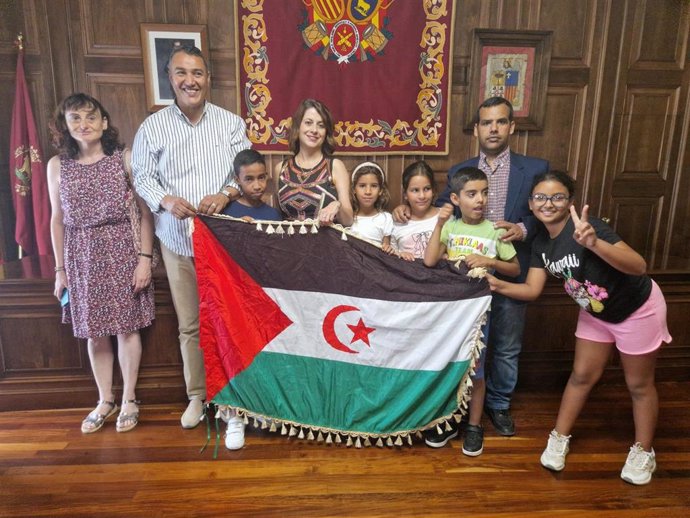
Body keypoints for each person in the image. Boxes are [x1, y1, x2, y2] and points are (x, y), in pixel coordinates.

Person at [487, 171, 670, 485]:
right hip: (596, 312)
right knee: (582, 375)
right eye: (541, 197)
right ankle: (559, 437)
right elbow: (532, 290)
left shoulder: (590, 227)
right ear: (531, 203)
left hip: (637, 309)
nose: (549, 204)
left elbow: (638, 266)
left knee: (639, 385)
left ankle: (644, 451)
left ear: (569, 201)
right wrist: (495, 284)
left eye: (557, 197)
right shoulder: (540, 242)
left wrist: (595, 244)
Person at [395, 97, 549, 437]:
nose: (493, 128)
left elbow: (548, 212)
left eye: (500, 122)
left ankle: (499, 405)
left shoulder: (535, 168)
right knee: (464, 345)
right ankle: (459, 406)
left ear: (512, 126)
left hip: (508, 267)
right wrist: (404, 209)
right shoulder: (459, 171)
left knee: (507, 344)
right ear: (477, 129)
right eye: (486, 123)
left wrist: (521, 229)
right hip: (463, 285)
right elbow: (438, 208)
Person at [131, 44, 251, 448]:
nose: (190, 81)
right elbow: (143, 178)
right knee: (189, 325)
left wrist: (226, 193)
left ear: (208, 78)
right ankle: (198, 395)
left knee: (229, 318)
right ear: (170, 78)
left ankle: (232, 397)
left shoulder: (231, 123)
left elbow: (244, 173)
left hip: (223, 242)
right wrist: (165, 200)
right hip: (176, 241)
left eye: (197, 73)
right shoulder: (153, 128)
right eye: (182, 73)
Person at [47, 93, 155, 434]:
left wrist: (145, 259)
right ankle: (105, 399)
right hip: (80, 255)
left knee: (126, 328)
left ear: (104, 122)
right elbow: (57, 219)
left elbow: (144, 211)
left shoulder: (123, 158)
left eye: (91, 117)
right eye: (75, 118)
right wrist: (60, 270)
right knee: (94, 334)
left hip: (122, 249)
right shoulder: (56, 166)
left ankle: (129, 399)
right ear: (66, 126)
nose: (84, 124)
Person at [423, 167, 520, 455]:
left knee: (476, 372)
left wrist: (490, 262)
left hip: (479, 317)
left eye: (485, 193)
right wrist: (439, 224)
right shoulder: (451, 226)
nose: (480, 200)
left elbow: (515, 268)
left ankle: (475, 425)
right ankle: (450, 419)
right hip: (452, 315)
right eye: (472, 194)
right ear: (455, 198)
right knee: (451, 367)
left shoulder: (495, 231)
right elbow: (429, 261)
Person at [275, 99, 353, 226]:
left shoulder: (335, 166)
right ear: (298, 126)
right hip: (287, 243)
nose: (314, 130)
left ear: (326, 132)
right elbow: (278, 216)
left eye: (321, 125)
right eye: (308, 123)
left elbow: (348, 221)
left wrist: (337, 205)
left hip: (326, 244)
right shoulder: (281, 168)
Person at [390, 161, 440, 261]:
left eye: (427, 189)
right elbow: (389, 255)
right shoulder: (397, 221)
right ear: (405, 194)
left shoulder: (444, 217)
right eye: (415, 190)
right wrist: (399, 254)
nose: (422, 196)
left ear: (433, 190)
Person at [222, 149, 281, 222]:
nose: (257, 186)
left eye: (261, 177)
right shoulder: (225, 214)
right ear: (237, 180)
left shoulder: (274, 215)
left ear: (266, 176)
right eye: (249, 179)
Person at [348, 161, 393, 247]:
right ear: (354, 189)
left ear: (380, 190)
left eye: (374, 186)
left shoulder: (385, 218)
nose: (368, 192)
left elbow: (387, 248)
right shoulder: (348, 218)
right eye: (362, 186)